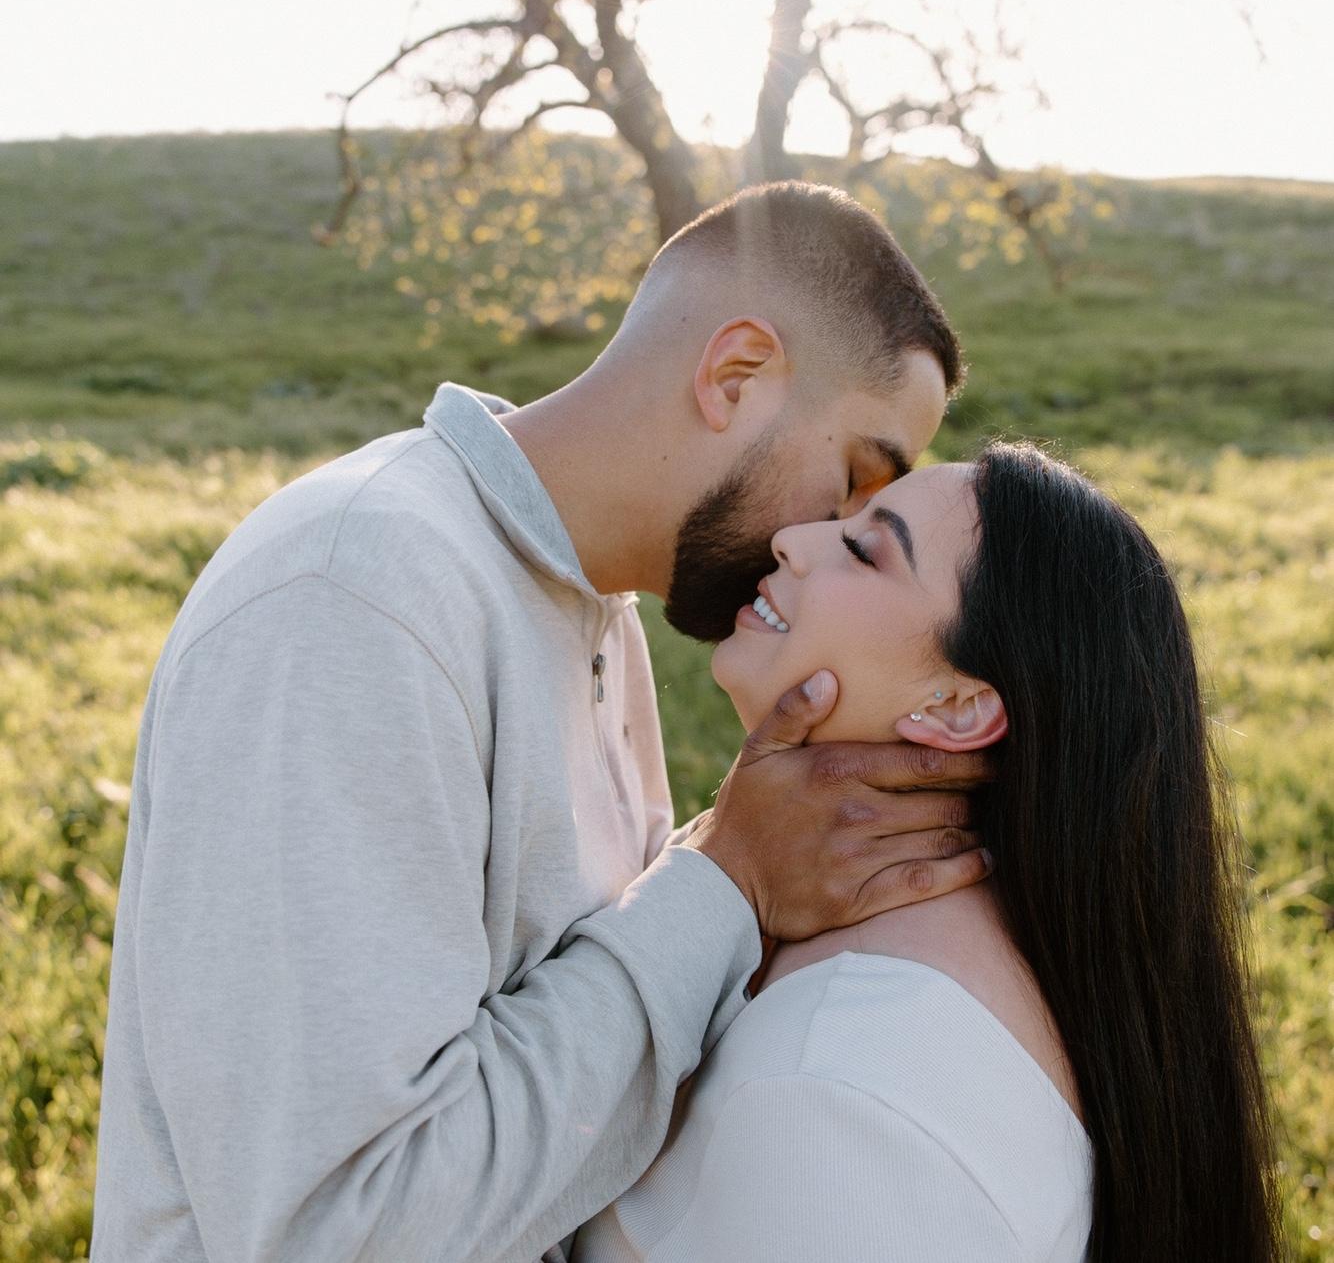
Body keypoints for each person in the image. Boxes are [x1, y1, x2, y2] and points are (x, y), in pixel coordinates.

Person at [91, 182, 994, 1261]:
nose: (821, 540)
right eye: (850, 478)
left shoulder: (590, 610)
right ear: (735, 374)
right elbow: (343, 1227)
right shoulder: (353, 598)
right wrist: (728, 881)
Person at [574, 443, 1282, 1263]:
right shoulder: (1026, 933)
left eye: (862, 549)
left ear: (955, 708)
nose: (792, 540)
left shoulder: (833, 1096)